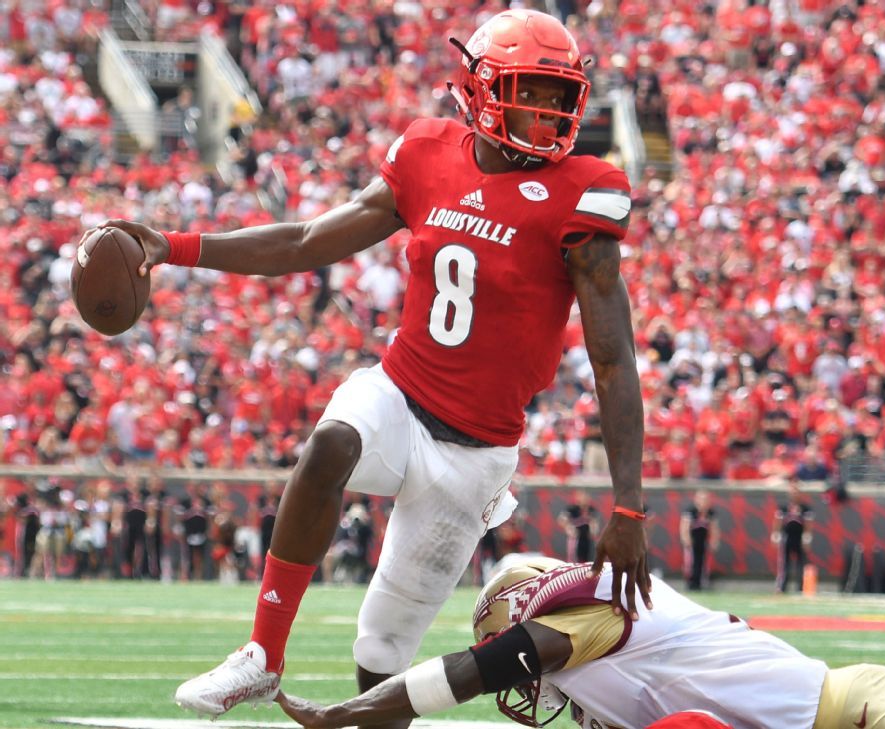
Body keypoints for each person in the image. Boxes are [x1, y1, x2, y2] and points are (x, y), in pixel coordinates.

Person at [97, 9, 649, 718]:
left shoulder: (585, 188)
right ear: (481, 87)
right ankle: (262, 653)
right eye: (529, 91)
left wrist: (628, 503)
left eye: (556, 95)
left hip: (476, 452)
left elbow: (613, 357)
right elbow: (303, 239)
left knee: (382, 653)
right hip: (399, 391)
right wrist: (177, 245)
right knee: (330, 444)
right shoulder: (427, 152)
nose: (545, 112)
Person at [273, 556, 885, 729]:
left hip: (857, 709)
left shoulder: (597, 607)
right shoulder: (591, 671)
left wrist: (351, 710)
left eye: (507, 631)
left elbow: (473, 672)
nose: (513, 658)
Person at [772, 484, 813, 593]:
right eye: (792, 493)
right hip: (787, 537)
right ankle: (781, 587)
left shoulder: (805, 508)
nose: (794, 495)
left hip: (799, 537)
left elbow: (808, 523)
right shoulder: (784, 507)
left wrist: (807, 536)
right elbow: (778, 521)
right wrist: (775, 533)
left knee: (801, 563)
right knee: (784, 564)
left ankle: (801, 587)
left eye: (796, 493)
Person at [679, 489, 718, 590]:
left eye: (705, 499)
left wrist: (714, 541)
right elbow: (684, 526)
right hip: (692, 542)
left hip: (703, 541)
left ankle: (701, 583)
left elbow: (714, 528)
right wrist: (686, 539)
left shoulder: (710, 513)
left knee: (703, 562)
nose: (703, 502)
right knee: (690, 563)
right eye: (701, 499)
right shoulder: (690, 511)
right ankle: (690, 583)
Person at [558, 490, 600, 563]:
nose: (585, 500)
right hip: (575, 539)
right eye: (583, 497)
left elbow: (594, 522)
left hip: (587, 539)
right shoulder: (572, 509)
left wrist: (593, 529)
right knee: (574, 560)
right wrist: (569, 528)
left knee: (588, 559)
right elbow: (561, 519)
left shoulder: (591, 510)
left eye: (586, 498)